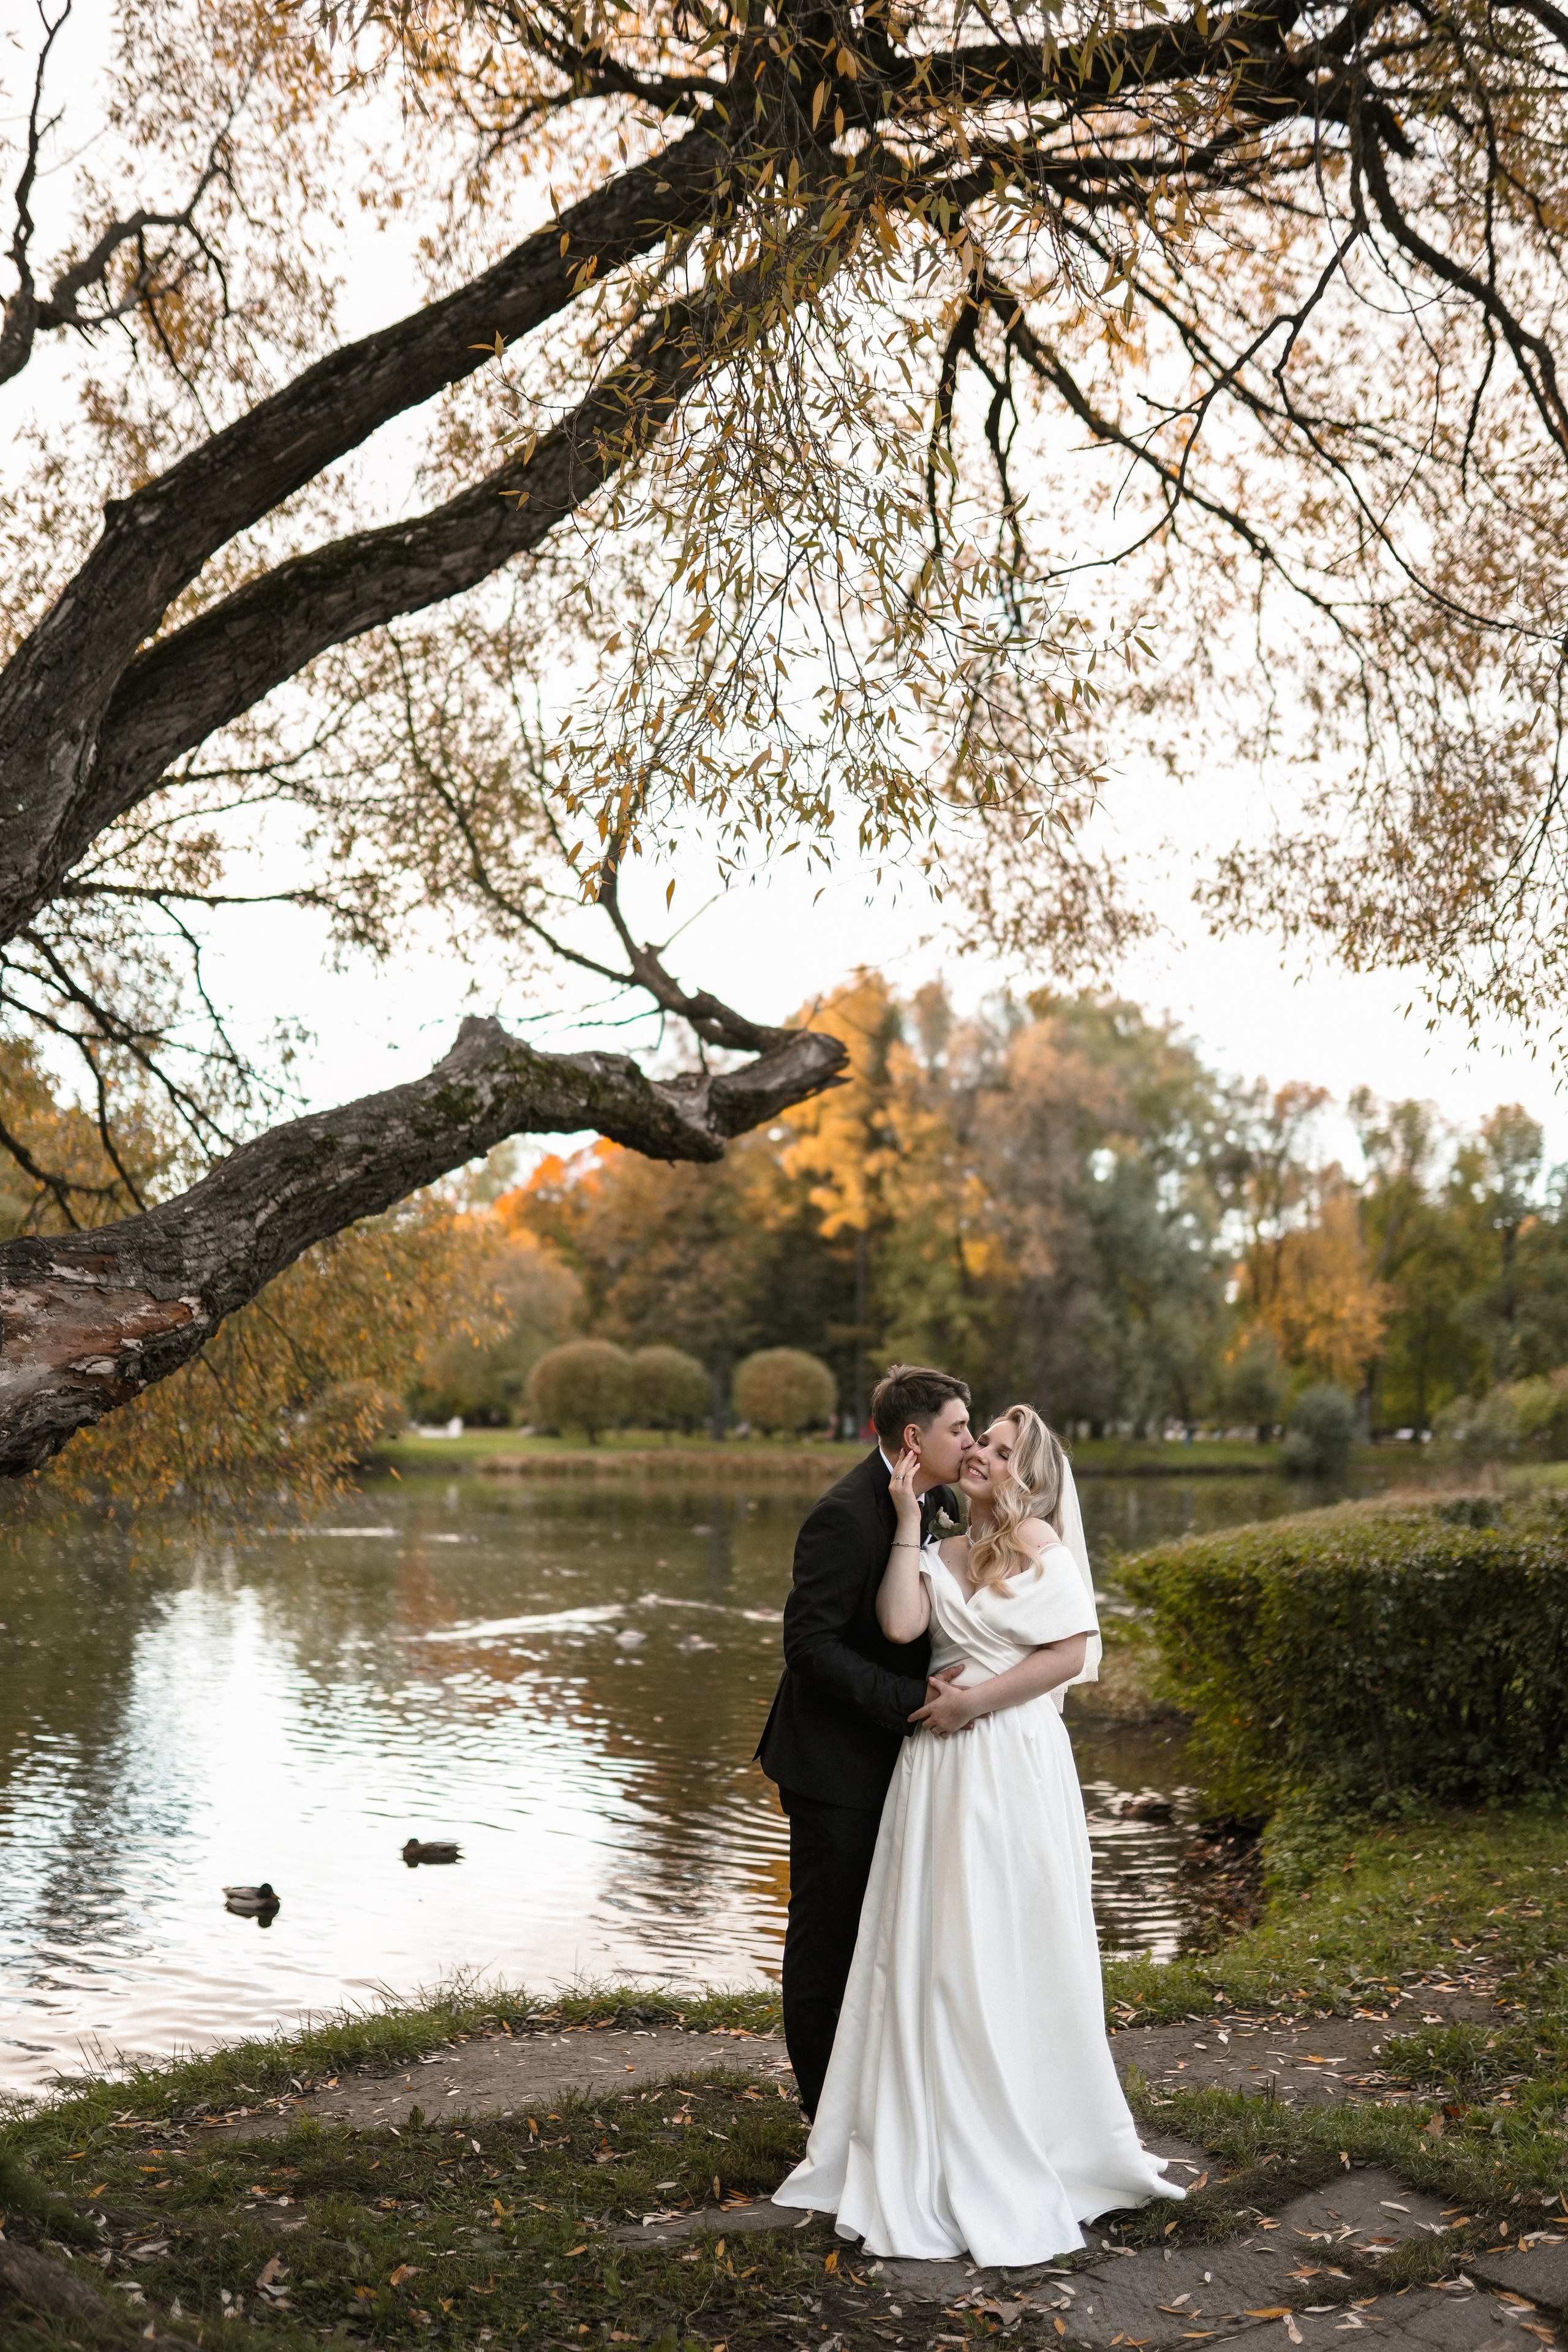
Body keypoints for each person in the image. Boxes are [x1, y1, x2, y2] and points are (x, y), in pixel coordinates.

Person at [771, 1403, 1182, 2265]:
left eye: (997, 1447)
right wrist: (910, 1523)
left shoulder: (1036, 1542)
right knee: (935, 1948)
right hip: (939, 1776)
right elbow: (898, 1629)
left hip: (1012, 1762)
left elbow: (1072, 1652)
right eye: (977, 1439)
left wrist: (970, 1703)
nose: (981, 1455)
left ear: (1026, 1470)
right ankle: (931, 2112)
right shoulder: (935, 1543)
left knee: (1010, 1937)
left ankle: (1026, 2113)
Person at [755, 1364, 974, 2124]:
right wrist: (913, 1700)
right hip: (833, 1767)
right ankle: (824, 2118)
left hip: (905, 1765)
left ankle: (879, 2098)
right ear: (915, 1438)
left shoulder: (939, 1500)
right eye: (958, 1429)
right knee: (828, 1942)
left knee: (889, 1931)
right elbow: (808, 1646)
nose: (970, 1442)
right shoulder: (843, 1516)